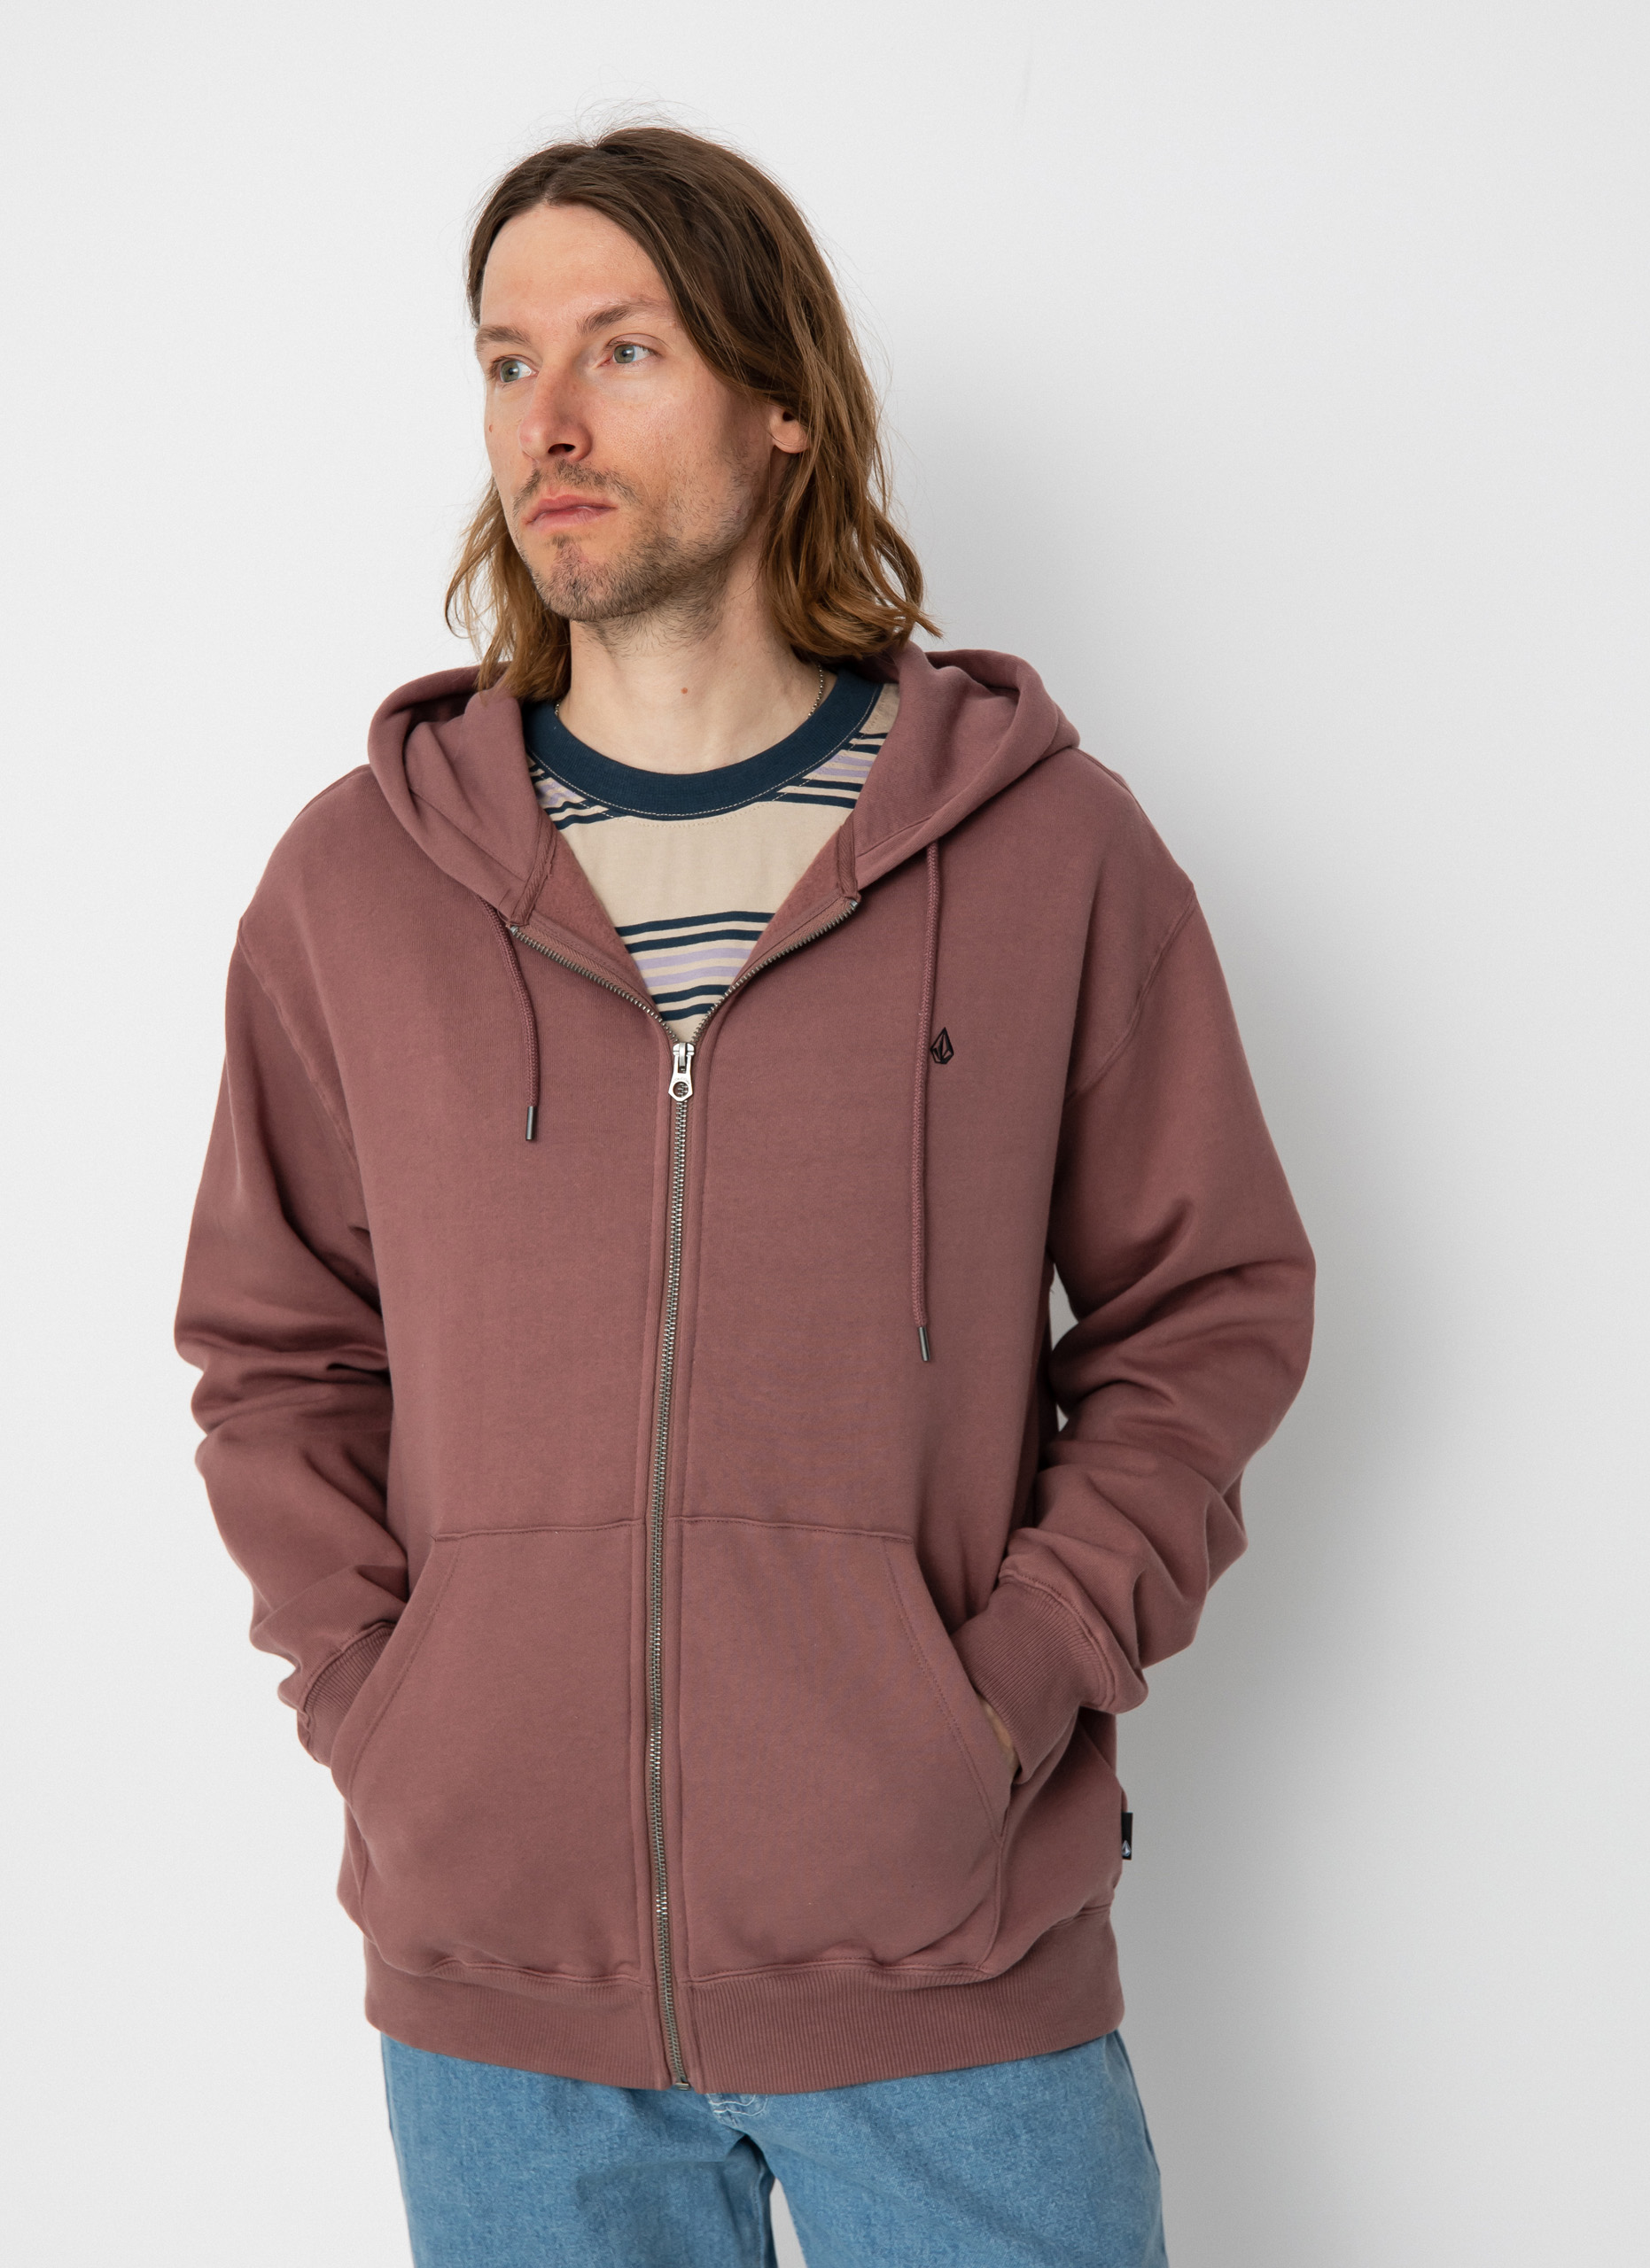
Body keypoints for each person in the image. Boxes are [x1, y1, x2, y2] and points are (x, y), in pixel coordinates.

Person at [175, 124, 1314, 2267]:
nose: (551, 419)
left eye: (624, 349)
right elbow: (274, 1350)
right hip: (503, 2007)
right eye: (507, 361)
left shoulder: (1045, 851)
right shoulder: (359, 883)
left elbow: (1211, 1307)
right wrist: (393, 1714)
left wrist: (1005, 1690)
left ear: (781, 401)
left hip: (945, 1967)